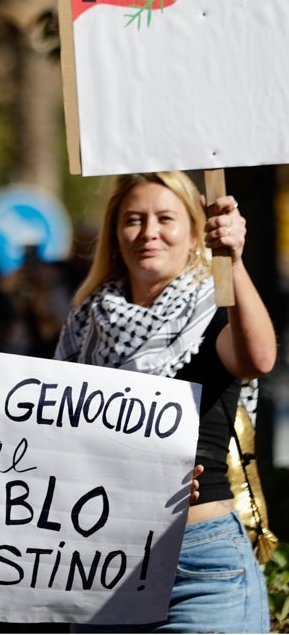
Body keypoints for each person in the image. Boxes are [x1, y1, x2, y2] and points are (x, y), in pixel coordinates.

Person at [54, 171, 276, 633]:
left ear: (196, 232)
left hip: (201, 565)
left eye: (165, 218)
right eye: (133, 219)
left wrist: (230, 261)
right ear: (115, 235)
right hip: (101, 564)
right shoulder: (83, 324)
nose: (148, 232)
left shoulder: (215, 310)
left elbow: (258, 358)